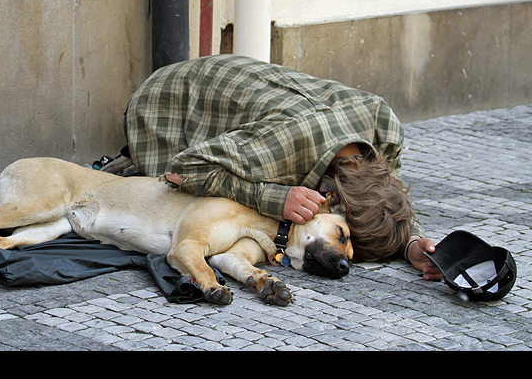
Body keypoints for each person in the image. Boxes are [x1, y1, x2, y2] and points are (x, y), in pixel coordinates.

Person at [124, 54, 442, 280]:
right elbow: (184, 169)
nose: (346, 253)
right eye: (346, 238)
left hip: (239, 83)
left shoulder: (383, 126)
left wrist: (412, 242)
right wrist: (273, 197)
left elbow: (389, 195)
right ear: (331, 200)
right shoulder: (284, 147)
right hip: (164, 105)